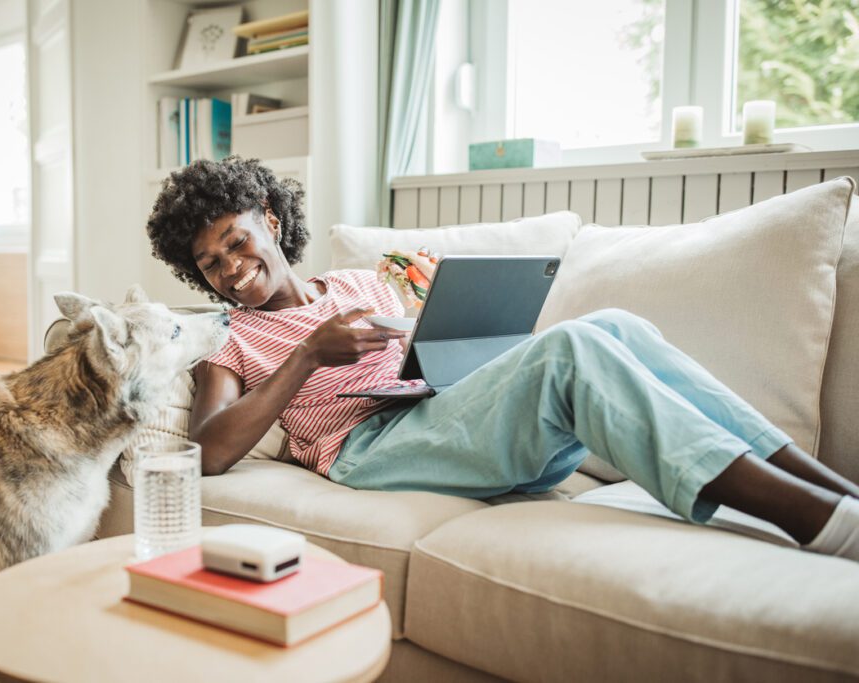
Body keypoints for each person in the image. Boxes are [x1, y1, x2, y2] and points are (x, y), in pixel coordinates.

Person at [146, 156, 859, 562]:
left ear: (270, 222)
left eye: (237, 241)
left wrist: (459, 348)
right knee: (574, 346)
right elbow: (207, 451)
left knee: (615, 324)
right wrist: (306, 355)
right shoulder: (228, 339)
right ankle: (816, 521)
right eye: (209, 263)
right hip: (371, 449)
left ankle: (834, 490)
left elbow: (423, 354)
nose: (230, 268)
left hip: (442, 414)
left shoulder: (360, 285)